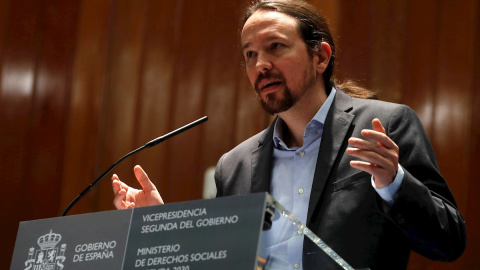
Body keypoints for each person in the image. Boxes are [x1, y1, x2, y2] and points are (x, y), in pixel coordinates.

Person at [112, 0, 466, 269]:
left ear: (321, 56)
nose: (259, 65)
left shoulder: (385, 125)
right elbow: (225, 259)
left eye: (275, 47)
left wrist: (393, 182)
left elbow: (448, 241)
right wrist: (161, 226)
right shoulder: (234, 165)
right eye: (249, 55)